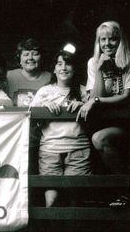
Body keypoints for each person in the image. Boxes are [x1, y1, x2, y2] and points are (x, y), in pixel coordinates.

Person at [77, 21, 130, 208]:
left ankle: (126, 191)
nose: (107, 44)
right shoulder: (93, 61)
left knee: (100, 139)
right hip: (109, 120)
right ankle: (124, 192)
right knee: (98, 140)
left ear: (120, 40)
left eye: (113, 39)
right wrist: (99, 69)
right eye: (103, 39)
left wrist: (96, 101)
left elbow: (126, 97)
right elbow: (96, 95)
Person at [31, 44, 91, 207]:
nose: (63, 67)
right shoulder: (44, 92)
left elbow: (96, 117)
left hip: (78, 149)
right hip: (50, 149)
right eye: (59, 63)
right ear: (54, 69)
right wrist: (43, 108)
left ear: (75, 68)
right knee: (51, 200)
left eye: (68, 63)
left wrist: (83, 105)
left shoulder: (84, 91)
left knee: (75, 200)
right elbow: (30, 118)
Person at [7, 38, 51, 107]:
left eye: (35, 54)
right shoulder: (8, 76)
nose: (30, 58)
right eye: (26, 54)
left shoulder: (51, 78)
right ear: (20, 60)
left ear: (41, 58)